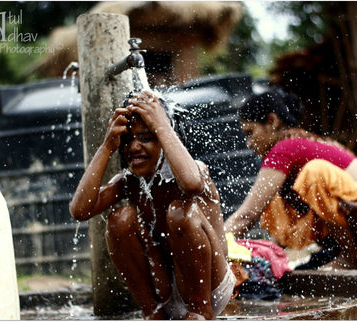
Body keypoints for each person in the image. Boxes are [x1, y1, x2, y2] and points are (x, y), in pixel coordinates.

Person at [69, 90, 235, 320]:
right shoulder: (129, 182)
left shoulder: (194, 170)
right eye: (127, 140)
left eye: (146, 138)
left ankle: (200, 312)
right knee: (120, 219)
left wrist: (162, 126)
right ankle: (152, 312)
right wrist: (107, 146)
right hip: (166, 286)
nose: (134, 147)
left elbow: (192, 184)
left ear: (165, 137)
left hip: (210, 287)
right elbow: (80, 210)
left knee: (181, 212)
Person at [224, 89, 357, 271]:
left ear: (272, 121)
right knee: (270, 191)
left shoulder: (284, 149)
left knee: (314, 174)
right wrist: (269, 257)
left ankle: (352, 259)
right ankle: (340, 254)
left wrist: (216, 249)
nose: (249, 144)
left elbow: (247, 215)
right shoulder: (304, 140)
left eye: (250, 133)